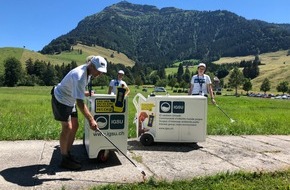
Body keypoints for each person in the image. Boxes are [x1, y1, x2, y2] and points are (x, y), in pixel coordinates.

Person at [51, 55, 107, 170]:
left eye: (102, 72)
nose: (100, 74)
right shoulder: (80, 75)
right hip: (61, 99)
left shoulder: (88, 73)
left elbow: (77, 90)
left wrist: (85, 93)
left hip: (70, 99)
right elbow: (80, 103)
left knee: (75, 125)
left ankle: (67, 152)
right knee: (67, 127)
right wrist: (91, 120)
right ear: (91, 65)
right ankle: (64, 159)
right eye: (99, 71)